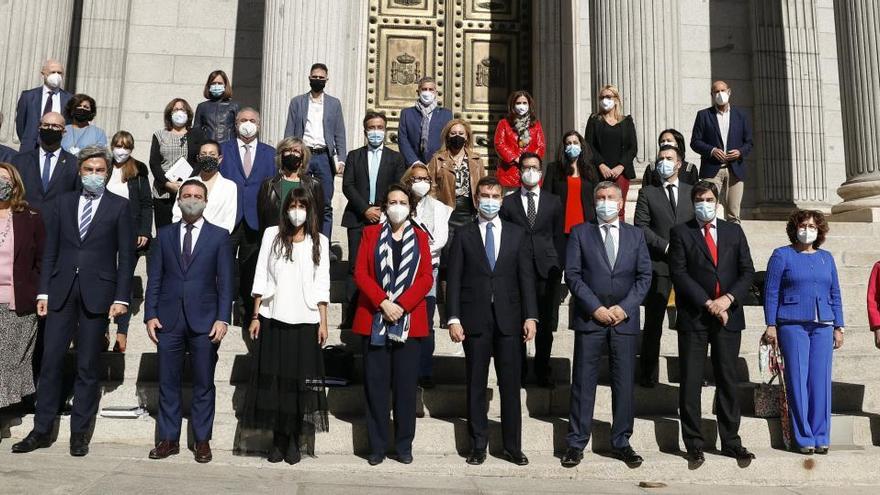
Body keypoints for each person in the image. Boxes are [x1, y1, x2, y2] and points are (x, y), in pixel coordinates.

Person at [11, 146, 134, 457]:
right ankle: (41, 429)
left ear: (108, 173)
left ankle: (79, 433)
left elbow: (126, 256)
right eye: (89, 170)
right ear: (80, 172)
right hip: (61, 291)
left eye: (100, 170)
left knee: (87, 366)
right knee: (51, 361)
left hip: (98, 293)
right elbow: (50, 250)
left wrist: (121, 298)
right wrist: (43, 291)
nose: (94, 175)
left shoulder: (119, 207)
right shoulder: (63, 203)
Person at [446, 175, 537, 466]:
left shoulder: (516, 233)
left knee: (510, 386)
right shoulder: (463, 234)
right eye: (485, 195)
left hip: (510, 321)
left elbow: (526, 278)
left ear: (502, 199)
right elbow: (454, 279)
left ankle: (512, 446)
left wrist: (531, 316)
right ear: (476, 199)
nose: (490, 200)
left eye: (495, 196)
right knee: (476, 384)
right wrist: (453, 318)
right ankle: (478, 444)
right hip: (475, 320)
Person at [561, 180, 652, 468]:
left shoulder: (636, 236)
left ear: (622, 202)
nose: (605, 202)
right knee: (583, 383)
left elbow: (644, 278)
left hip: (624, 321)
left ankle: (621, 440)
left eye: (611, 197)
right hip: (591, 319)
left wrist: (624, 309)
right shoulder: (580, 233)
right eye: (600, 197)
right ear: (593, 202)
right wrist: (596, 308)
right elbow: (573, 275)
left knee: (623, 383)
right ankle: (576, 442)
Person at [144, 179, 234, 464]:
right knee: (168, 381)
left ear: (206, 201)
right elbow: (155, 278)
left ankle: (202, 440)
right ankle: (168, 439)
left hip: (205, 320)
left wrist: (223, 318)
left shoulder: (219, 236)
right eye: (187, 195)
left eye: (197, 195)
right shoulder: (165, 235)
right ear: (178, 199)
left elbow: (226, 283)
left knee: (203, 382)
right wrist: (150, 314)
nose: (192, 199)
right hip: (169, 319)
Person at [668, 180, 756, 466]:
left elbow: (747, 271)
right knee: (691, 381)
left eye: (708, 199)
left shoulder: (734, 231)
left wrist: (727, 300)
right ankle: (694, 443)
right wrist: (708, 303)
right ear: (693, 203)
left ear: (717, 201)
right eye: (699, 200)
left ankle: (731, 441)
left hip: (729, 316)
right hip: (695, 316)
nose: (704, 204)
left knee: (728, 380)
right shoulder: (681, 232)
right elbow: (679, 274)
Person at [241, 187, 330, 464]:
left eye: (302, 206)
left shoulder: (321, 241)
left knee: (299, 383)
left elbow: (322, 283)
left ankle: (294, 438)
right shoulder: (272, 236)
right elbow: (261, 276)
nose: (297, 211)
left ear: (310, 210)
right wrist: (255, 315)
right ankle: (277, 439)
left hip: (306, 319)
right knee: (275, 381)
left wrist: (324, 321)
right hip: (274, 316)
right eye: (292, 206)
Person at [352, 184, 433, 466]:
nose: (397, 206)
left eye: (402, 201)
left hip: (409, 323)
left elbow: (426, 278)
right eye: (392, 201)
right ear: (385, 207)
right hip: (375, 318)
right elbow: (360, 272)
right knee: (375, 387)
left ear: (410, 207)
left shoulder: (421, 237)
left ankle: (403, 445)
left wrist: (402, 305)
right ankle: (376, 445)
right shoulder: (370, 233)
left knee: (405, 388)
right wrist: (383, 302)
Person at [762, 210, 844, 455]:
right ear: (794, 228)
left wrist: (839, 326)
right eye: (803, 225)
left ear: (819, 231)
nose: (807, 229)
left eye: (812, 226)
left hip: (823, 325)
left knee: (820, 382)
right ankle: (803, 436)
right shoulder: (782, 255)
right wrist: (771, 324)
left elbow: (835, 294)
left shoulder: (826, 258)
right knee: (797, 380)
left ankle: (821, 435)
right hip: (792, 323)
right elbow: (771, 291)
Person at [499, 152, 564, 388]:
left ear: (541, 171)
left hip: (547, 271)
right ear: (519, 171)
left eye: (535, 167)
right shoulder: (508, 203)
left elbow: (559, 237)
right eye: (526, 167)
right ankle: (520, 370)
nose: (530, 171)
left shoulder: (553, 201)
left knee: (546, 324)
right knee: (519, 322)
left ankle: (542, 370)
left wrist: (560, 265)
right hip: (516, 270)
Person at [633, 145, 695, 387]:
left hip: (688, 267)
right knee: (653, 323)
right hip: (658, 264)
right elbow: (641, 226)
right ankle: (648, 373)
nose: (664, 162)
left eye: (669, 158)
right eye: (660, 159)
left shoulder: (691, 192)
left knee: (690, 324)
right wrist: (665, 246)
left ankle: (692, 372)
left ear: (679, 163)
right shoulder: (648, 192)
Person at [341, 111, 407, 328]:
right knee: (355, 268)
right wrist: (366, 209)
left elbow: (397, 186)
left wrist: (381, 210)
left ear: (385, 130)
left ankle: (377, 311)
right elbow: (347, 185)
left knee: (379, 268)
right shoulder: (354, 156)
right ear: (365, 130)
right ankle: (350, 317)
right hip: (358, 219)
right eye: (372, 127)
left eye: (380, 127)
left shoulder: (396, 158)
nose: (376, 131)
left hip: (384, 220)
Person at [219, 108, 277, 325]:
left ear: (259, 125)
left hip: (255, 221)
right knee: (222, 268)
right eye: (243, 120)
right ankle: (220, 314)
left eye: (252, 120)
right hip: (228, 219)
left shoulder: (270, 153)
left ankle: (244, 315)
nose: (247, 124)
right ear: (235, 124)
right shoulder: (223, 150)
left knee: (250, 270)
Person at [402, 163, 452, 388]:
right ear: (408, 180)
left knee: (426, 319)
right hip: (402, 267)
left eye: (425, 178)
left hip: (428, 268)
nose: (420, 182)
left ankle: (424, 370)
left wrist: (418, 251)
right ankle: (403, 368)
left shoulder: (440, 208)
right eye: (416, 178)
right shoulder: (399, 203)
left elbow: (440, 240)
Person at [284, 62, 347, 239]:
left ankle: (323, 244)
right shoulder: (297, 102)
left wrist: (341, 158)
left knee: (325, 203)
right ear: (309, 78)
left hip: (324, 157)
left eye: (321, 77)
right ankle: (298, 238)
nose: (317, 80)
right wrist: (288, 154)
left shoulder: (334, 104)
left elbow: (339, 133)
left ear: (327, 79)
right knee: (298, 199)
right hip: (303, 156)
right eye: (314, 77)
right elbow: (289, 130)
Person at [0, 163, 45, 410]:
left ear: (15, 185)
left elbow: (42, 259)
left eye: (5, 179)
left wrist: (36, 290)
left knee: (5, 364)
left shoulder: (30, 218)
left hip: (15, 305)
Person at [104, 131, 153, 352]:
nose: (121, 150)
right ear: (112, 146)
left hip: (130, 230)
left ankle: (121, 332)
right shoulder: (102, 167)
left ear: (131, 148)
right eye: (118, 145)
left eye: (125, 146)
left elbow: (146, 203)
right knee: (104, 279)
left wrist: (144, 230)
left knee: (124, 278)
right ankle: (103, 330)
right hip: (104, 231)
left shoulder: (139, 169)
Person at [690, 81, 754, 224]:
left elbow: (749, 142)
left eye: (722, 90)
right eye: (716, 91)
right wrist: (711, 150)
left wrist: (740, 152)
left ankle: (733, 242)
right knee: (707, 208)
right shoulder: (704, 115)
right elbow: (695, 141)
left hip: (735, 169)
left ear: (729, 92)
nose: (720, 94)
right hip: (712, 169)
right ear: (712, 95)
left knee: (733, 212)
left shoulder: (740, 116)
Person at [149, 98, 206, 228]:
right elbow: (154, 163)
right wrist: (167, 183)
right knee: (164, 231)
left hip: (186, 191)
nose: (179, 112)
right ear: (170, 113)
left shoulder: (196, 135)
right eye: (176, 109)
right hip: (163, 191)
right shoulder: (159, 135)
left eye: (182, 109)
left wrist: (186, 183)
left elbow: (199, 161)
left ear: (188, 114)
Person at [584, 84, 637, 221]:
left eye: (608, 96)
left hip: (621, 173)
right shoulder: (594, 120)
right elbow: (588, 145)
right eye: (601, 97)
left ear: (616, 99)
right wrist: (601, 164)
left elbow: (633, 147)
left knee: (619, 208)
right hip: (599, 172)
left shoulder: (627, 121)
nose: (604, 100)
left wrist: (621, 166)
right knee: (600, 207)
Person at [11, 112, 78, 215]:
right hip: (24, 222)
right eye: (46, 125)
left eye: (55, 126)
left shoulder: (74, 164)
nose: (49, 129)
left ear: (64, 132)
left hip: (57, 224)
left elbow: (76, 197)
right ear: (39, 128)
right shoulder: (20, 161)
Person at [427, 118, 486, 237]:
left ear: (467, 137)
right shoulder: (437, 159)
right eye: (453, 133)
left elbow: (482, 186)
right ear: (448, 137)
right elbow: (431, 187)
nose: (457, 136)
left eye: (460, 133)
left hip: (470, 212)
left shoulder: (477, 160)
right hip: (447, 212)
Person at [256, 137, 327, 232]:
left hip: (303, 239)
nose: (292, 154)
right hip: (275, 238)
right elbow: (262, 219)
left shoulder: (314, 185)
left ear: (302, 159)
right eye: (287, 151)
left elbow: (318, 219)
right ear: (281, 156)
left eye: (296, 151)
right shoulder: (268, 185)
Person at [172, 140, 237, 233]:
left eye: (212, 154)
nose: (208, 157)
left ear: (220, 158)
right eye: (204, 154)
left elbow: (229, 220)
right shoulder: (187, 183)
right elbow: (177, 214)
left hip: (216, 239)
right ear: (198, 158)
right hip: (188, 235)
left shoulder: (230, 186)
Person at [544, 130, 598, 235]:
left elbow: (596, 196)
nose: (572, 146)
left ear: (581, 146)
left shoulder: (590, 170)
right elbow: (546, 196)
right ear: (564, 147)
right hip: (561, 226)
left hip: (587, 226)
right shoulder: (553, 168)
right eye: (568, 143)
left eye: (575, 142)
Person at [494, 90, 546, 191]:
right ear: (513, 105)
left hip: (530, 171)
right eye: (518, 103)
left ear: (529, 105)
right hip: (510, 173)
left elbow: (541, 145)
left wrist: (529, 161)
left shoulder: (535, 124)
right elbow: (499, 144)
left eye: (524, 103)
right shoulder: (504, 123)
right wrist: (515, 158)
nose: (521, 106)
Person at [15, 59, 72, 151]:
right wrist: (28, 140)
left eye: (59, 73)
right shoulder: (28, 96)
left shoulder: (69, 99)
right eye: (53, 72)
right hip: (31, 148)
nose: (56, 75)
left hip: (58, 147)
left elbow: (69, 125)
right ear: (43, 73)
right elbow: (20, 124)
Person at [397, 76, 453, 167]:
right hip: (413, 165)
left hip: (439, 165)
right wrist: (414, 162)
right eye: (424, 89)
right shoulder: (407, 113)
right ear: (418, 92)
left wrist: (437, 161)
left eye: (431, 89)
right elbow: (403, 139)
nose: (427, 92)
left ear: (435, 92)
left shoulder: (446, 114)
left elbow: (448, 141)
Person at [193, 70, 241, 143]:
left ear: (225, 85)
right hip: (208, 148)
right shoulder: (202, 106)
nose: (216, 86)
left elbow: (240, 130)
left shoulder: (235, 105)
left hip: (228, 147)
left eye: (220, 83)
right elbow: (196, 131)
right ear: (209, 86)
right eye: (213, 83)